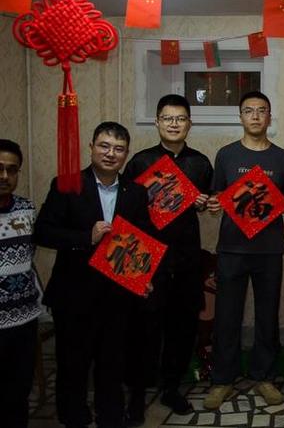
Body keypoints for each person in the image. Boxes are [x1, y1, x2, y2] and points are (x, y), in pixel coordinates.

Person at [34, 122, 151, 428]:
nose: (111, 154)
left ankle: (110, 414)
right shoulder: (66, 184)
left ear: (126, 154)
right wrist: (86, 237)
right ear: (91, 147)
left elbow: (142, 239)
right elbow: (43, 232)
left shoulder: (136, 192)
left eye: (118, 149)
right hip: (74, 293)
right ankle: (73, 415)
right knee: (72, 362)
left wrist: (143, 276)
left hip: (117, 295)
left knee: (112, 361)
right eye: (104, 146)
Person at [122, 94, 213, 422]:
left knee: (183, 327)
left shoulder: (200, 163)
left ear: (189, 123)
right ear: (157, 122)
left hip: (186, 259)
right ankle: (136, 394)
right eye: (168, 118)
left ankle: (172, 387)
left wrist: (204, 202)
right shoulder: (140, 162)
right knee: (143, 330)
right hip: (148, 259)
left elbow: (209, 200)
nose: (174, 124)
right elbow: (126, 212)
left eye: (180, 119)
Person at [203, 91, 284, 410]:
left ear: (269, 117)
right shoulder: (226, 155)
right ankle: (222, 379)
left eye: (261, 111)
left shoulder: (282, 158)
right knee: (227, 316)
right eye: (249, 111)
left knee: (267, 315)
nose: (255, 116)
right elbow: (216, 194)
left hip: (269, 249)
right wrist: (214, 204)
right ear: (240, 116)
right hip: (232, 247)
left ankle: (264, 376)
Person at [0, 139, 41, 428]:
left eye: (12, 170)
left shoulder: (27, 209)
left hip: (24, 320)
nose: (5, 176)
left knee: (18, 392)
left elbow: (29, 256)